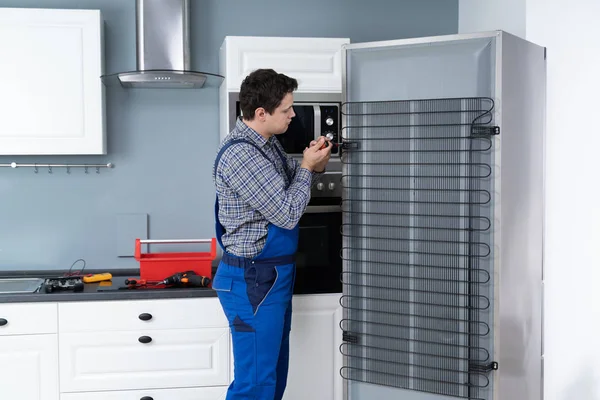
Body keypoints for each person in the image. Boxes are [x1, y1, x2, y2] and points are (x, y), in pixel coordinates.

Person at [211, 68, 332, 400]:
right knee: (255, 384)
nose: (293, 114)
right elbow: (288, 213)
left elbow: (294, 173)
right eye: (286, 110)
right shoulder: (241, 155)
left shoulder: (265, 144)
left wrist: (313, 162)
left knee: (273, 376)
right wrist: (308, 167)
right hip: (252, 280)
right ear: (261, 113)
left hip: (271, 275)